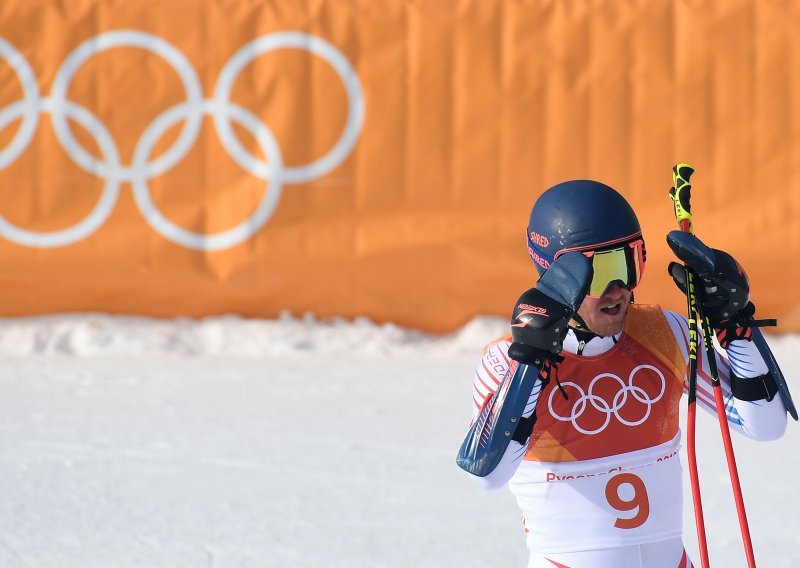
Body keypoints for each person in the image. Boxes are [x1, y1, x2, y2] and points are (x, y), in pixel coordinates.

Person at [462, 180, 788, 568]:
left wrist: (735, 326)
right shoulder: (506, 360)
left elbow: (765, 425)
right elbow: (486, 474)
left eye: (628, 264)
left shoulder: (663, 332)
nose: (618, 290)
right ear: (554, 273)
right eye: (599, 273)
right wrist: (531, 361)